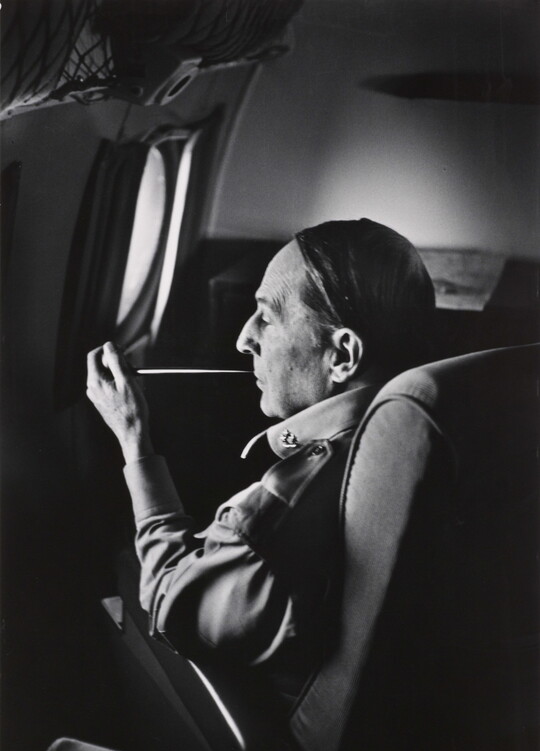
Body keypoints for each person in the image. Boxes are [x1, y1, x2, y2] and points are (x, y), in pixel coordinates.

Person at [86, 218, 435, 715]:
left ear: (342, 355)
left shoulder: (273, 519)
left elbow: (168, 602)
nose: (243, 340)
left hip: (278, 742)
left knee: (124, 571)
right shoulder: (424, 438)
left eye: (267, 318)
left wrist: (134, 442)